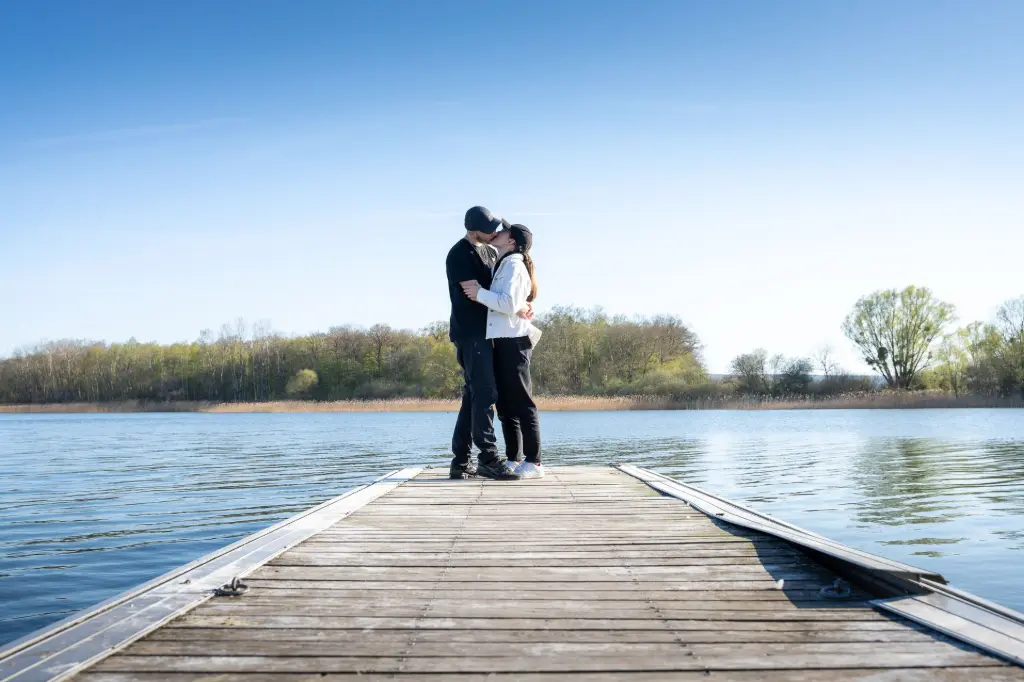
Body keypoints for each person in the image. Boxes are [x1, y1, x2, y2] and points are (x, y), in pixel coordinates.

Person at [460, 224, 544, 479]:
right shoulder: (503, 262)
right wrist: (518, 306)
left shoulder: (515, 265)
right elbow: (511, 302)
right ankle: (513, 458)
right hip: (500, 340)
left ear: (512, 242)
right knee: (506, 405)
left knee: (522, 402)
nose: (498, 232)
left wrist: (479, 294)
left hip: (515, 341)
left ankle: (534, 462)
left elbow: (507, 302)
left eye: (505, 231)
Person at [445, 206, 521, 481]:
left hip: (487, 331)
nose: (494, 232)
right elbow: (474, 293)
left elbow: (494, 292)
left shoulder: (488, 251)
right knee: (485, 394)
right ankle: (488, 459)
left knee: (473, 397)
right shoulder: (459, 254)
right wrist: (501, 301)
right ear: (473, 229)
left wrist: (517, 305)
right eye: (489, 229)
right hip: (470, 333)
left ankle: (461, 462)